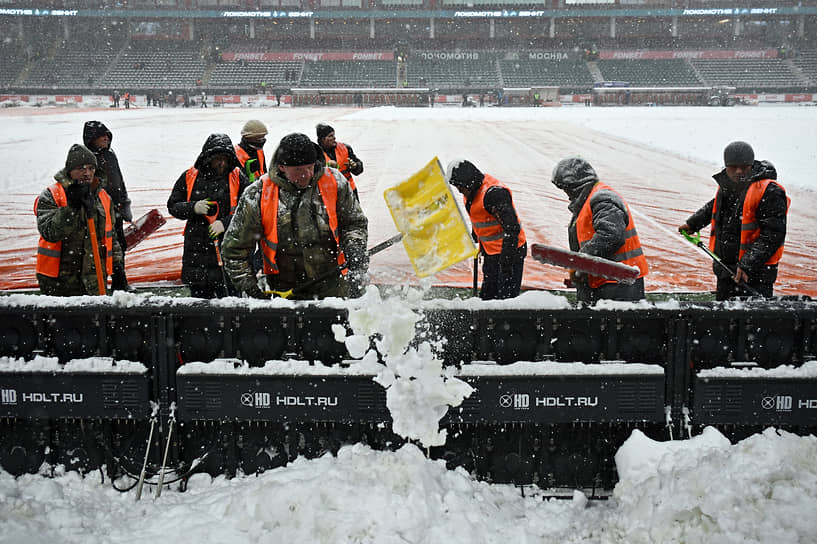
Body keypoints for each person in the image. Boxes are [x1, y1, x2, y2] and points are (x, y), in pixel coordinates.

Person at [222, 133, 368, 300]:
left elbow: (354, 223)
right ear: (282, 167)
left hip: (332, 285)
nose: (306, 174)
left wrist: (354, 248)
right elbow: (234, 248)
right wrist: (250, 287)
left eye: (310, 167)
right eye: (299, 170)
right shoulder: (259, 193)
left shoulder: (334, 182)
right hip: (284, 290)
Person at [679, 141, 789, 300]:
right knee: (723, 318)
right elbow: (715, 205)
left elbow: (773, 234)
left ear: (751, 165)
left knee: (753, 319)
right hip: (726, 268)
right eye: (733, 167)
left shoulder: (769, 191)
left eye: (744, 167)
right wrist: (693, 224)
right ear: (726, 167)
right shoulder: (728, 185)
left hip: (755, 273)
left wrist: (747, 265)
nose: (738, 171)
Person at [550, 156, 648, 304]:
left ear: (575, 184)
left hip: (619, 283)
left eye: (566, 188)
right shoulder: (587, 202)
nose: (566, 193)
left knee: (616, 325)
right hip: (606, 281)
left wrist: (580, 262)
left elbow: (611, 235)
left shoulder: (602, 198)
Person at [167, 134, 250, 299]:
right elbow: (173, 206)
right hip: (196, 253)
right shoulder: (190, 176)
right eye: (218, 159)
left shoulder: (238, 177)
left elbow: (249, 211)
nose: (222, 163)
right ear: (208, 157)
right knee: (200, 304)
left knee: (230, 301)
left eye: (226, 159)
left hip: (228, 249)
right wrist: (193, 207)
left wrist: (224, 224)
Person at [35, 144, 123, 296]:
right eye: (81, 168)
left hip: (94, 281)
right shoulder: (51, 195)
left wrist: (118, 269)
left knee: (96, 319)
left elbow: (110, 236)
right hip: (59, 282)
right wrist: (72, 208)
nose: (87, 173)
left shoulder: (103, 198)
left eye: (91, 168)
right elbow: (50, 232)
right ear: (70, 170)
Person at [445, 159, 527, 300]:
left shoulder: (495, 195)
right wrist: (475, 236)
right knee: (488, 297)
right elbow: (480, 215)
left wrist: (506, 261)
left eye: (460, 186)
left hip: (510, 251)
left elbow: (512, 228)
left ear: (469, 182)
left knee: (506, 300)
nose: (459, 191)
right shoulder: (471, 192)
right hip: (491, 252)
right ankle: (490, 320)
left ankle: (506, 321)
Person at [83, 120, 132, 291]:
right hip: (99, 211)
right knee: (102, 248)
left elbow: (119, 179)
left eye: (107, 135)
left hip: (115, 209)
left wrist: (125, 203)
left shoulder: (110, 155)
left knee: (119, 246)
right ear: (92, 138)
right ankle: (99, 284)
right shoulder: (88, 158)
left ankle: (120, 283)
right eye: (102, 135)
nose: (106, 138)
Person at [316, 123, 363, 199]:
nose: (334, 138)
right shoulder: (316, 153)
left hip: (349, 190)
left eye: (334, 135)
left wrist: (355, 166)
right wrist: (325, 167)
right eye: (330, 136)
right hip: (329, 194)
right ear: (322, 139)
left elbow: (359, 169)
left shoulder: (345, 148)